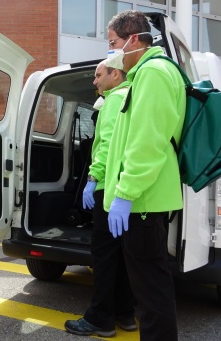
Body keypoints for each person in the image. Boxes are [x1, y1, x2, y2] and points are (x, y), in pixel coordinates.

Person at [103, 10, 186, 341]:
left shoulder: (153, 73)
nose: (111, 52)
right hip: (143, 199)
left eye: (114, 43)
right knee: (150, 287)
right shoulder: (146, 74)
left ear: (133, 39)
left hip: (142, 201)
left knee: (151, 292)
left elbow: (146, 142)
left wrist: (125, 193)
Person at [65, 61, 137, 337]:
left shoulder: (113, 101)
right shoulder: (133, 97)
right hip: (125, 190)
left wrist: (92, 179)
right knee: (122, 254)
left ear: (115, 74)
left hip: (107, 189)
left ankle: (99, 319)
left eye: (98, 75)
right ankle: (125, 313)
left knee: (104, 256)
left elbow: (106, 145)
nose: (94, 82)